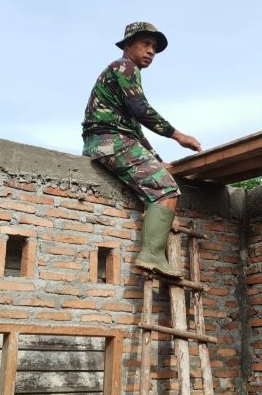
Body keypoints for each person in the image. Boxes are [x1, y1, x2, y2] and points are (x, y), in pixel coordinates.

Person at [81, 21, 202, 277]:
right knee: (166, 190)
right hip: (109, 140)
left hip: (108, 140)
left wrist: (157, 159)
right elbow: (141, 110)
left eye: (154, 48)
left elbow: (134, 127)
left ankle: (153, 252)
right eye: (145, 44)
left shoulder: (123, 76)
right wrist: (177, 135)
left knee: (159, 178)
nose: (151, 52)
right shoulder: (124, 66)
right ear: (128, 45)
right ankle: (152, 255)